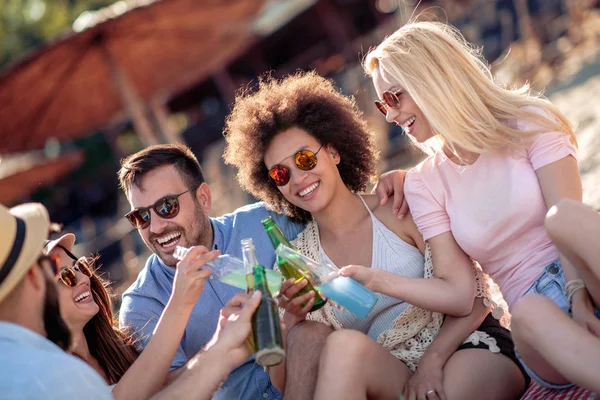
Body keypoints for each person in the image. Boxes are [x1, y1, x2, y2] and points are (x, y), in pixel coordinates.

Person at [223, 71, 527, 400]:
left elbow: (476, 298)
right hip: (391, 379)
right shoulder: (296, 258)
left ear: (334, 152)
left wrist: (432, 361)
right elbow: (290, 384)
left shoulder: (398, 205)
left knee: (348, 346)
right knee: (345, 346)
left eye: (304, 159)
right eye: (281, 174)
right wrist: (291, 318)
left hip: (466, 348)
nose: (298, 179)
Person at [362, 20, 599, 390]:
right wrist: (377, 280)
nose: (390, 115)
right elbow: (459, 294)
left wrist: (579, 297)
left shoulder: (528, 120)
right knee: (528, 315)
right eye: (382, 105)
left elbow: (571, 218)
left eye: (395, 97)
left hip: (586, 273)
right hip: (538, 327)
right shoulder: (425, 183)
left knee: (565, 217)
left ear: (432, 78)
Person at [117, 144, 333, 400]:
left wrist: (390, 183)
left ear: (204, 198)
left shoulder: (266, 222)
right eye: (141, 217)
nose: (155, 227)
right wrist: (220, 347)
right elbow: (163, 393)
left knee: (311, 336)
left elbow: (342, 223)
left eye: (167, 206)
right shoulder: (142, 304)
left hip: (307, 381)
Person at [44, 232, 218, 400]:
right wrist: (180, 301)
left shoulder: (115, 345)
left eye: (79, 267)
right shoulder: (52, 378)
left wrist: (221, 342)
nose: (83, 278)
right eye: (67, 276)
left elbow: (161, 388)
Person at [0, 203, 112, 399]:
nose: (83, 279)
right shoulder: (59, 376)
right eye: (56, 269)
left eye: (80, 267)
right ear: (34, 275)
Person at [510, 199, 600, 393]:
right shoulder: (432, 182)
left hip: (587, 279)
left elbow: (570, 230)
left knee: (563, 214)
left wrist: (580, 302)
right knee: (527, 309)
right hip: (541, 329)